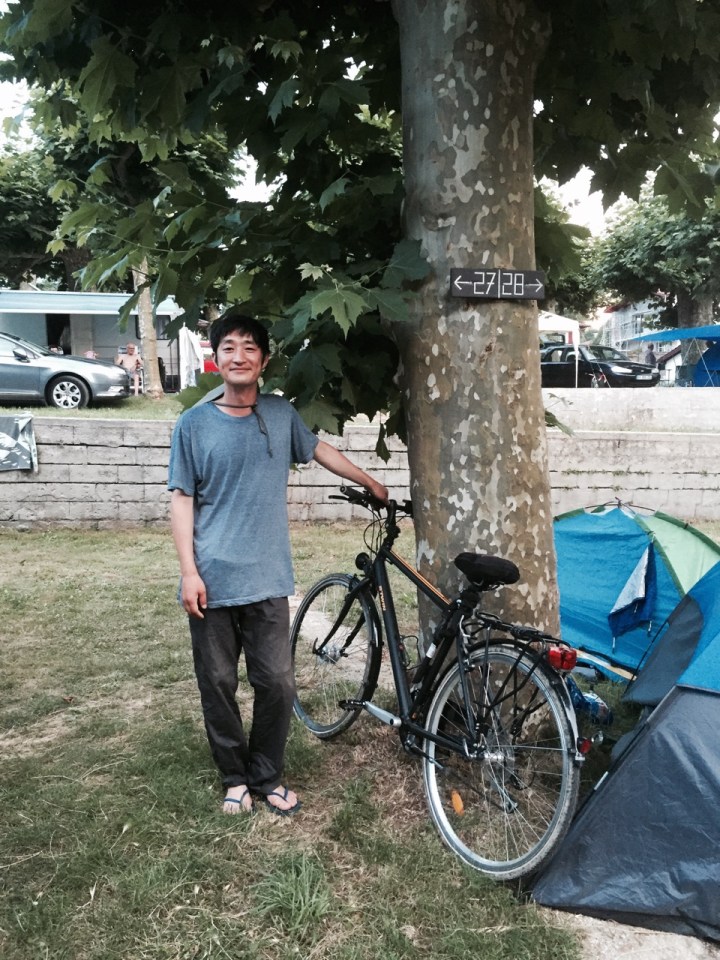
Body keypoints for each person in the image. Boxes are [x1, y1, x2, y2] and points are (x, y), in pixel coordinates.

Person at [167, 310, 388, 817]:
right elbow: (181, 499)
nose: (238, 356)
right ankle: (234, 776)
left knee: (278, 683)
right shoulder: (194, 425)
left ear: (263, 360)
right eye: (228, 347)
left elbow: (318, 449)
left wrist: (369, 482)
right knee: (218, 682)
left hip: (267, 578)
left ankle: (266, 775)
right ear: (215, 358)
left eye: (249, 347)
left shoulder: (280, 414)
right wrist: (188, 571)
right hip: (212, 579)